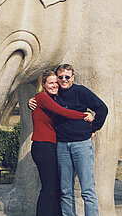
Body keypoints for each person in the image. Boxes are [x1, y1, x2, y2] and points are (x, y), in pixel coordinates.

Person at [29, 64, 108, 216]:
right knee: (65, 190)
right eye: (60, 77)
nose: (63, 80)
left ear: (72, 77)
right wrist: (85, 116)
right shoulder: (53, 95)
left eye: (67, 77)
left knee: (87, 190)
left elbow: (102, 108)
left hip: (81, 144)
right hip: (61, 146)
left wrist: (93, 127)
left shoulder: (81, 91)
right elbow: (58, 110)